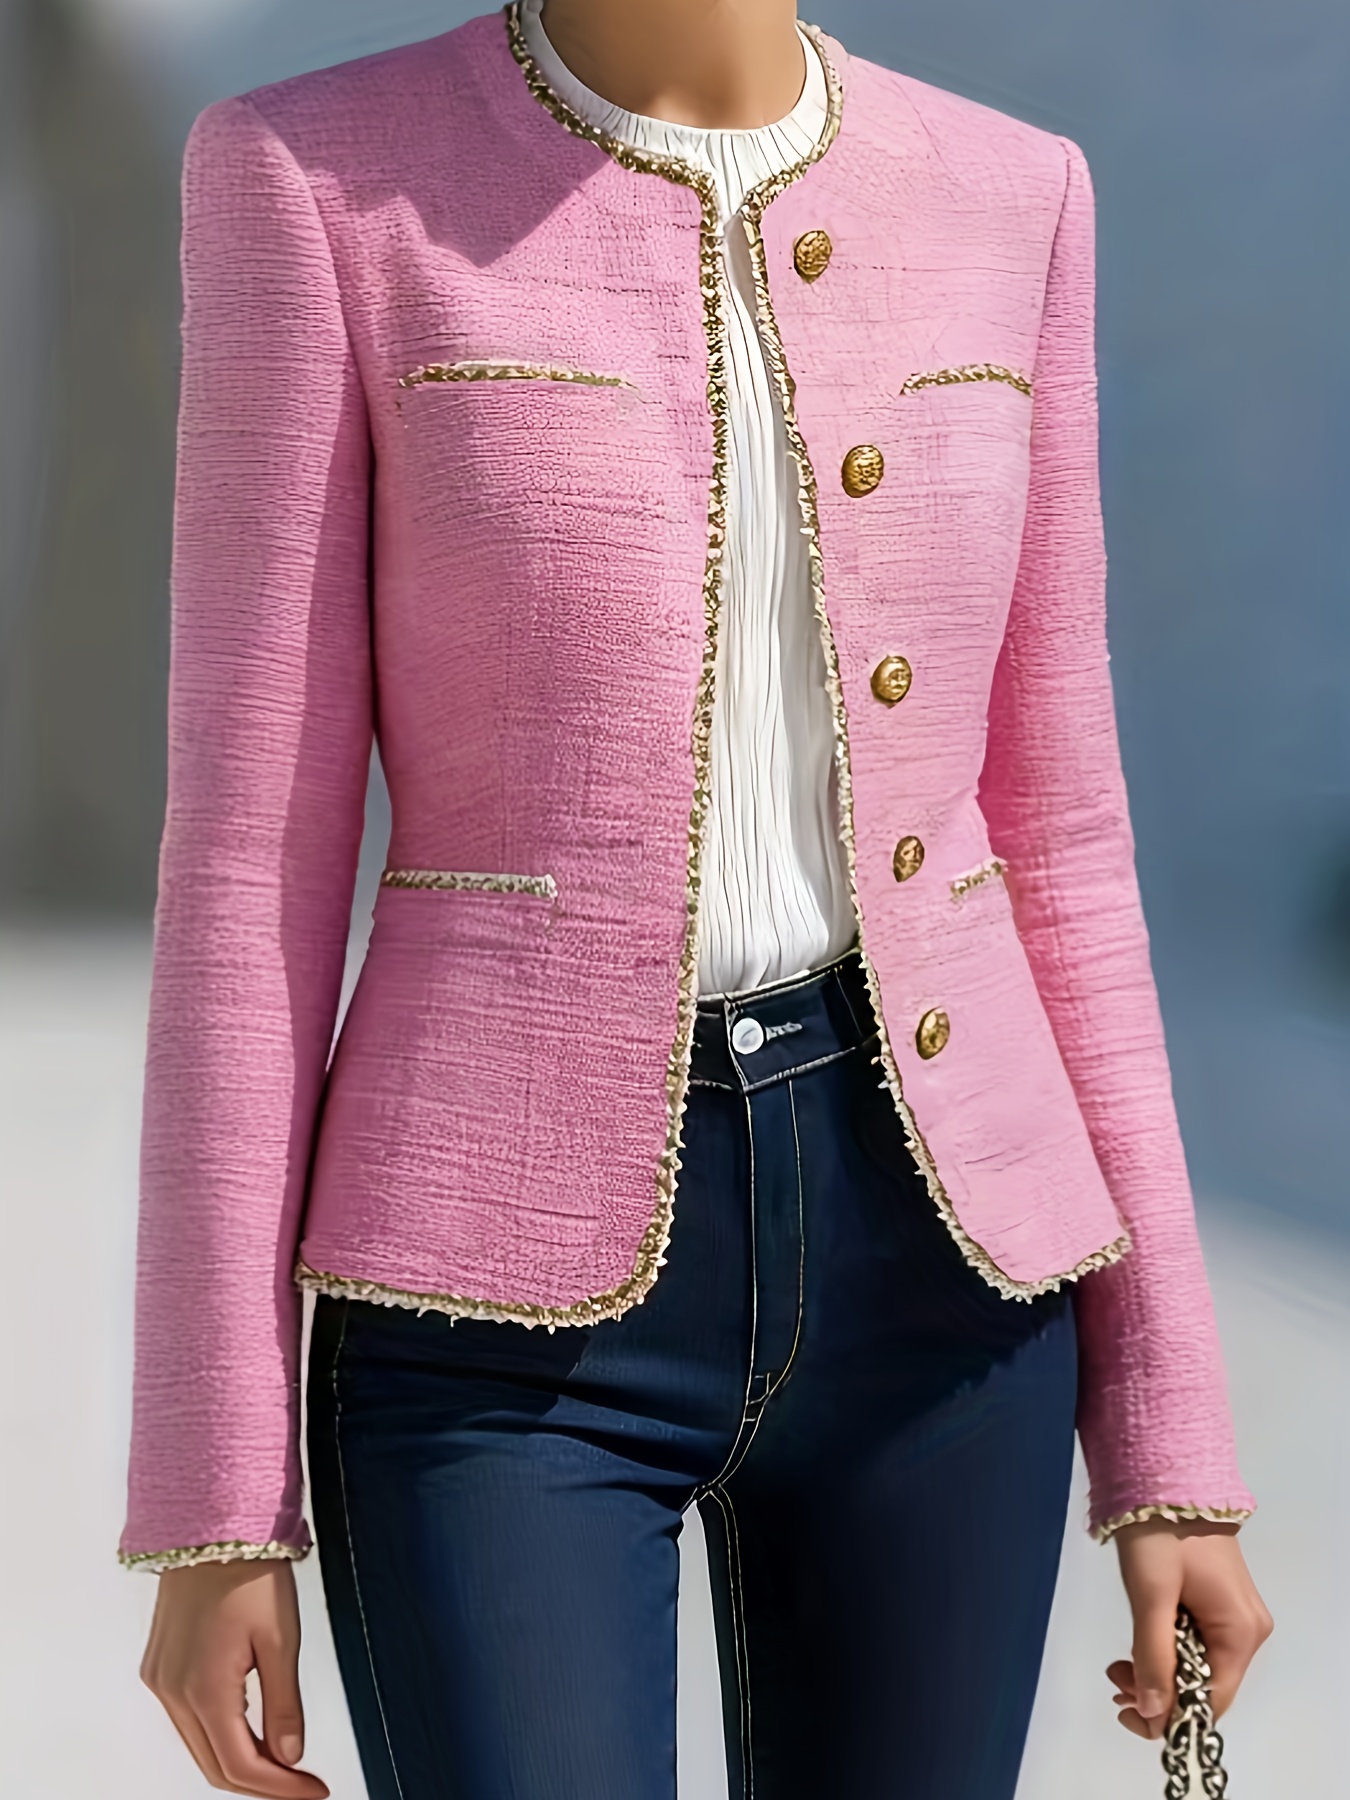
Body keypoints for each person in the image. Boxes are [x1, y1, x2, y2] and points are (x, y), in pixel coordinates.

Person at [124, 2, 1272, 1796]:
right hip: (489, 1317)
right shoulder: (310, 177)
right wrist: (214, 1493)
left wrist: (1166, 1441)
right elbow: (246, 864)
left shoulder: (1015, 195)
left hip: (947, 1287)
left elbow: (1058, 844)